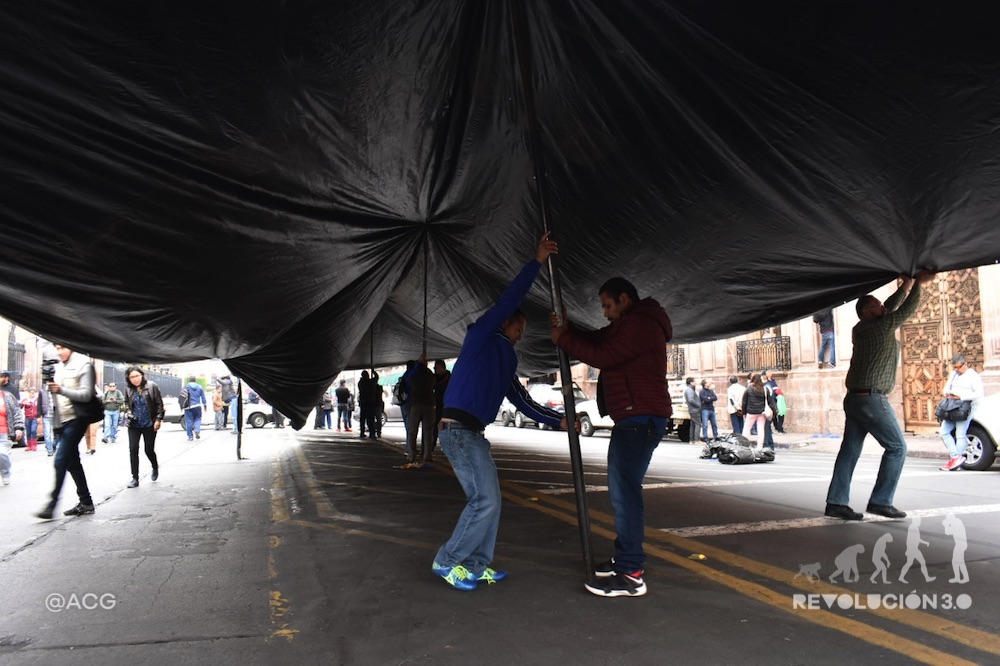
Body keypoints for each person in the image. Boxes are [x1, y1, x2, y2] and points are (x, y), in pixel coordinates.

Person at [432, 232, 568, 592]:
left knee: (491, 501)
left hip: (473, 435)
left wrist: (558, 421)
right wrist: (537, 262)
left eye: (522, 331)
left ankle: (475, 566)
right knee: (485, 500)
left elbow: (522, 401)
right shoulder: (481, 336)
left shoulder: (508, 360)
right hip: (457, 431)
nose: (520, 335)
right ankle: (447, 560)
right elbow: (510, 298)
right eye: (518, 328)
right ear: (505, 322)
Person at [552, 275, 673, 598]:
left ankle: (631, 574)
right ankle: (626, 560)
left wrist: (563, 338)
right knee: (624, 492)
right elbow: (598, 338)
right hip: (636, 418)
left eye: (607, 306)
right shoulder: (629, 323)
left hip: (639, 418)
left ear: (624, 300)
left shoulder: (640, 324)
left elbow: (604, 356)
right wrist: (567, 330)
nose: (604, 313)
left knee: (625, 494)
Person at [825, 270, 935, 521]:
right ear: (867, 313)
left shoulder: (861, 329)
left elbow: (889, 306)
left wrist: (906, 285)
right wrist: (918, 284)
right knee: (897, 448)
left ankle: (836, 503)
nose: (883, 307)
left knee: (849, 452)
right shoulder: (882, 327)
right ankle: (881, 501)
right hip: (871, 399)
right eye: (877, 306)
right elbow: (906, 310)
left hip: (855, 399)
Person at [35, 344, 96, 518]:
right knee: (72, 462)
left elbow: (87, 394)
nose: (59, 352)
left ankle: (51, 505)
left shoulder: (84, 365)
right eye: (57, 348)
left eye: (63, 347)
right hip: (62, 421)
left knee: (60, 459)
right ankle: (86, 502)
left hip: (76, 419)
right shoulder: (59, 367)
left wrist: (61, 389)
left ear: (71, 347)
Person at [939, 353, 984, 471]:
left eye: (958, 367)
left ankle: (955, 460)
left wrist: (961, 396)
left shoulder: (973, 376)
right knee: (944, 432)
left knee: (960, 434)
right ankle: (956, 457)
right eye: (955, 367)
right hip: (951, 407)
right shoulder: (954, 374)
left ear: (965, 364)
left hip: (965, 407)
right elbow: (946, 387)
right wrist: (947, 393)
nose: (956, 369)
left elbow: (979, 393)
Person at [123, 366, 164, 487]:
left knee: (148, 449)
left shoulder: (151, 386)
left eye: (137, 376)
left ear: (142, 375)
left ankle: (155, 466)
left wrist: (158, 419)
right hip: (134, 424)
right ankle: (135, 478)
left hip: (149, 423)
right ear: (128, 379)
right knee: (133, 449)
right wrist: (127, 412)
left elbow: (159, 404)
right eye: (132, 377)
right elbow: (126, 403)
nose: (135, 379)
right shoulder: (128, 389)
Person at [402, 355, 435, 468]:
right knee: (428, 431)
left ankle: (412, 454)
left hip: (416, 404)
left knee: (412, 431)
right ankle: (427, 455)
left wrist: (417, 364)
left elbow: (408, 379)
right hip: (429, 404)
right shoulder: (430, 376)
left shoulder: (413, 376)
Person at [741, 373, 773, 447]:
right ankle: (760, 446)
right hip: (761, 412)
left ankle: (743, 445)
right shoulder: (765, 389)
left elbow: (744, 402)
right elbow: (770, 401)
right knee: (761, 429)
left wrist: (744, 412)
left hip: (751, 412)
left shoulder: (749, 389)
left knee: (746, 429)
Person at [0, 388, 25, 484]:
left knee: (2, 453)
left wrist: (18, 428)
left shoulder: (7, 396)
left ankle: (5, 473)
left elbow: (17, 412)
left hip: (5, 433)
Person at [432, 359, 451, 454]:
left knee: (446, 427)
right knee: (435, 426)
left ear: (441, 367)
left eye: (436, 367)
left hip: (447, 406)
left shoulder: (449, 378)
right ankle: (432, 446)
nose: (435, 369)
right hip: (438, 406)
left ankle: (447, 447)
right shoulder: (434, 378)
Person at [182, 376, 208, 441]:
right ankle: (197, 430)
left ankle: (190, 437)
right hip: (197, 406)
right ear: (195, 380)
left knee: (189, 421)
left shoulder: (185, 387)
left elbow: (182, 396)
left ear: (189, 380)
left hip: (188, 406)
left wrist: (182, 405)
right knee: (198, 419)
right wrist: (205, 406)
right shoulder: (200, 387)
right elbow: (203, 397)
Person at [683, 377, 701, 443]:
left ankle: (692, 440)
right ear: (691, 382)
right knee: (698, 424)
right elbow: (691, 400)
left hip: (692, 409)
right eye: (694, 381)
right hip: (694, 409)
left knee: (693, 425)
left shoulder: (689, 389)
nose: (696, 382)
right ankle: (696, 440)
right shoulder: (690, 390)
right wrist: (698, 405)